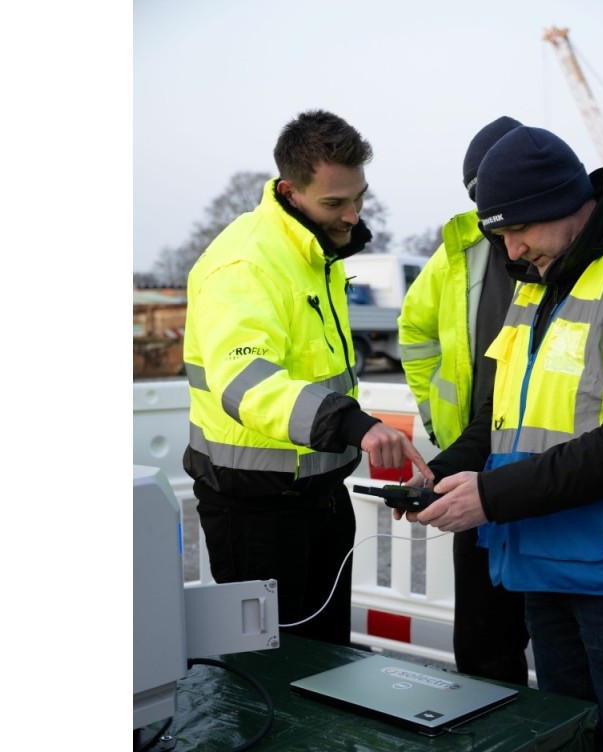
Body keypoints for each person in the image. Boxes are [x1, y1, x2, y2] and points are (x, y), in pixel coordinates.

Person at [397, 126, 603, 752]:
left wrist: (492, 496)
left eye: (518, 229)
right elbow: (498, 420)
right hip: (544, 563)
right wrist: (440, 473)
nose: (510, 251)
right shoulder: (533, 280)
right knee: (570, 751)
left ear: (564, 202)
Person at [182, 109, 433, 648]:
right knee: (267, 674)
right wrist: (353, 424)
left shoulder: (314, 252)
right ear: (289, 191)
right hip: (255, 510)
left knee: (325, 663)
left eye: (359, 197)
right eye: (335, 203)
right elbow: (245, 382)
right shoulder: (246, 263)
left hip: (318, 496)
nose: (352, 215)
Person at [397, 116, 531, 687]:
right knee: (483, 640)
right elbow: (415, 331)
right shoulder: (461, 251)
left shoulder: (565, 249)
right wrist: (441, 424)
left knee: (565, 647)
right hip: (477, 458)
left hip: (555, 469)